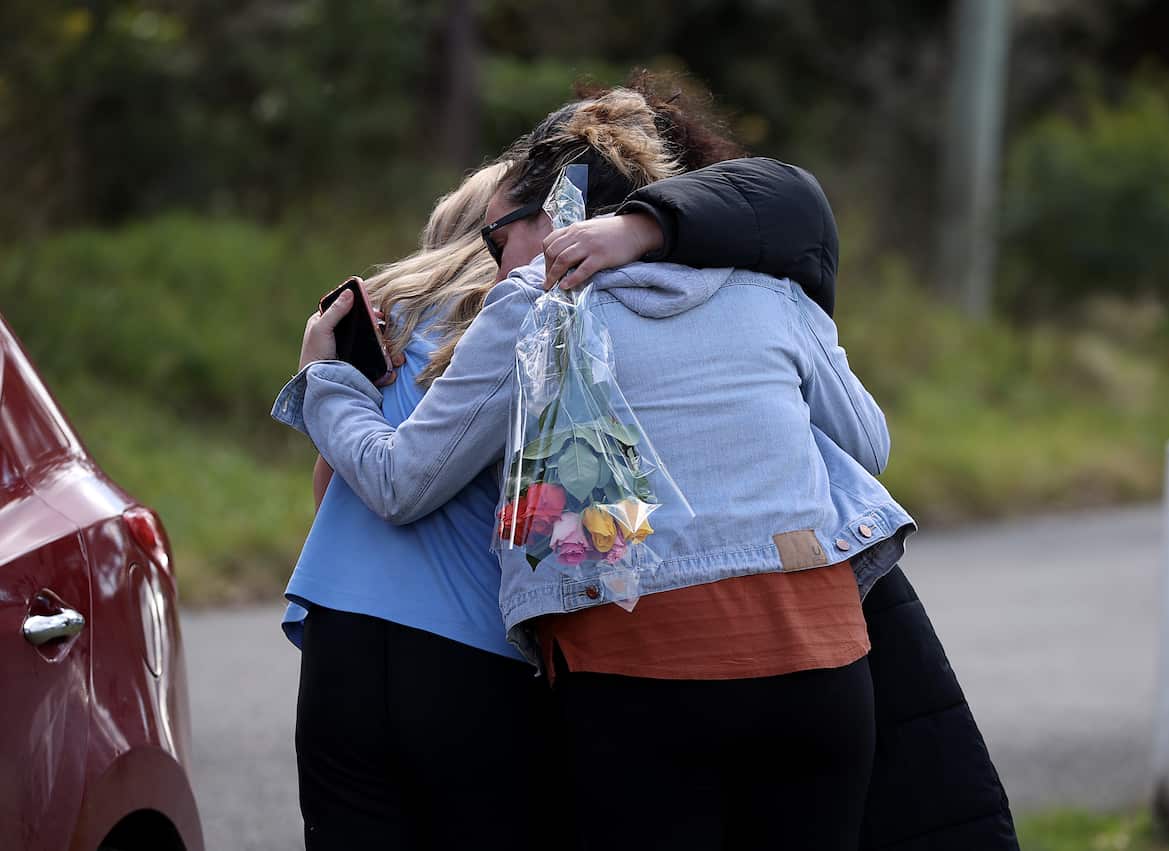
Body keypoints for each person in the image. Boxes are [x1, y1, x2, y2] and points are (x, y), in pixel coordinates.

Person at [279, 84, 908, 850]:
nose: (490, 259)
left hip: (640, 668)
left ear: (552, 220)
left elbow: (401, 481)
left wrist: (328, 382)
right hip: (823, 668)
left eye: (495, 236)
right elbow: (867, 446)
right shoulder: (770, 289)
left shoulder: (533, 301)